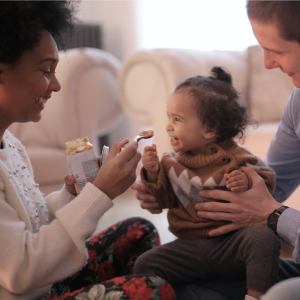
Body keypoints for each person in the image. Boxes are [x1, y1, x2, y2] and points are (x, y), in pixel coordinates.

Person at [0, 2, 176, 300]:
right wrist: (101, 194)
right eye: (46, 70)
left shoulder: (11, 144)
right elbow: (21, 269)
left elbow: (33, 223)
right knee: (153, 290)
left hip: (43, 286)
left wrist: (82, 191)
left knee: (138, 231)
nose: (55, 85)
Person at [132, 1, 300, 299]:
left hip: (258, 246)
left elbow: (266, 201)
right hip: (209, 247)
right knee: (180, 285)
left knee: (268, 267)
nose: (267, 63)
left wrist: (273, 215)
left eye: (278, 50)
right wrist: (154, 182)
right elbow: (273, 182)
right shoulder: (298, 102)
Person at [133, 67, 279, 300]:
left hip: (232, 245)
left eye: (178, 119)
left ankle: (255, 296)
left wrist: (247, 182)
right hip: (189, 248)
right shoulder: (170, 163)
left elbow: (266, 181)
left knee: (263, 239)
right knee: (145, 263)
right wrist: (151, 174)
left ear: (209, 129)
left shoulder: (237, 158)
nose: (169, 125)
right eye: (168, 118)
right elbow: (162, 200)